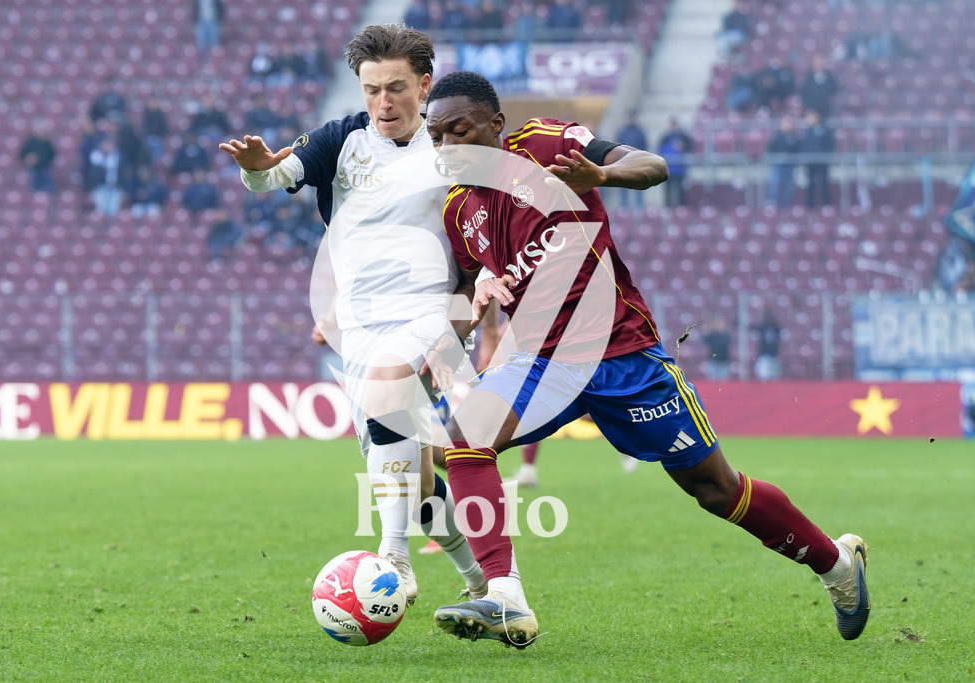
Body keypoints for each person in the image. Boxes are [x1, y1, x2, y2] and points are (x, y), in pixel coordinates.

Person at [422, 70, 870, 648]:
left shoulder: (548, 144)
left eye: (460, 132)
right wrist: (440, 344)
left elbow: (654, 165)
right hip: (539, 360)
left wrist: (602, 174)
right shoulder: (460, 210)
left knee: (716, 490)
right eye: (437, 138)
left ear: (497, 126)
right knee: (466, 439)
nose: (449, 148)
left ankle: (837, 565)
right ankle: (505, 597)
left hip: (622, 353)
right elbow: (464, 289)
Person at [219, 24, 486, 606]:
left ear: (424, 83)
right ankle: (480, 580)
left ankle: (394, 558)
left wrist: (466, 314)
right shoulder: (341, 140)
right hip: (361, 326)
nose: (383, 102)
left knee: (391, 396)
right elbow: (276, 175)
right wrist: (257, 167)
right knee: (406, 474)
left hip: (433, 316)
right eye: (371, 90)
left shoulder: (451, 148)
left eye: (395, 88)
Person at [799, 109, 835, 208]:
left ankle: (826, 204)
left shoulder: (825, 130)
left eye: (810, 117)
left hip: (822, 161)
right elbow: (803, 145)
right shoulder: (807, 131)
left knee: (824, 183)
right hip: (810, 162)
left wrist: (825, 154)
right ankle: (809, 205)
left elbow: (830, 144)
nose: (808, 119)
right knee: (810, 184)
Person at [657, 118, 692, 207]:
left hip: (680, 169)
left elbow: (690, 147)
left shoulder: (683, 137)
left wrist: (683, 147)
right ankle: (668, 208)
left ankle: (680, 209)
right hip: (668, 170)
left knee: (680, 191)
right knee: (668, 191)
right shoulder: (665, 137)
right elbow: (659, 150)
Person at [766, 115, 799, 209]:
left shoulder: (794, 138)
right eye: (785, 123)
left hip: (789, 165)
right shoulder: (777, 137)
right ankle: (772, 204)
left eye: (789, 123)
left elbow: (797, 150)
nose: (787, 126)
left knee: (789, 187)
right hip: (778, 164)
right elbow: (770, 149)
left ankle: (786, 206)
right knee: (774, 183)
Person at [18, 119, 57, 193]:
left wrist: (39, 159)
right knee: (34, 187)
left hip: (44, 168)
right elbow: (21, 155)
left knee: (47, 187)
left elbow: (52, 155)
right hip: (33, 169)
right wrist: (27, 159)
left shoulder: (47, 143)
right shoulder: (29, 142)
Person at [798, 54, 838, 120]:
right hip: (811, 111)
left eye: (821, 61)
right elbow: (804, 92)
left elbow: (834, 91)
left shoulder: (829, 77)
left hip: (826, 110)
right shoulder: (808, 77)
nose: (819, 64)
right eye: (817, 62)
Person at [753, 309, 782, 380]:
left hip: (774, 356)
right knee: (763, 377)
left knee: (774, 378)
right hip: (764, 356)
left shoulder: (777, 329)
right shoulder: (762, 328)